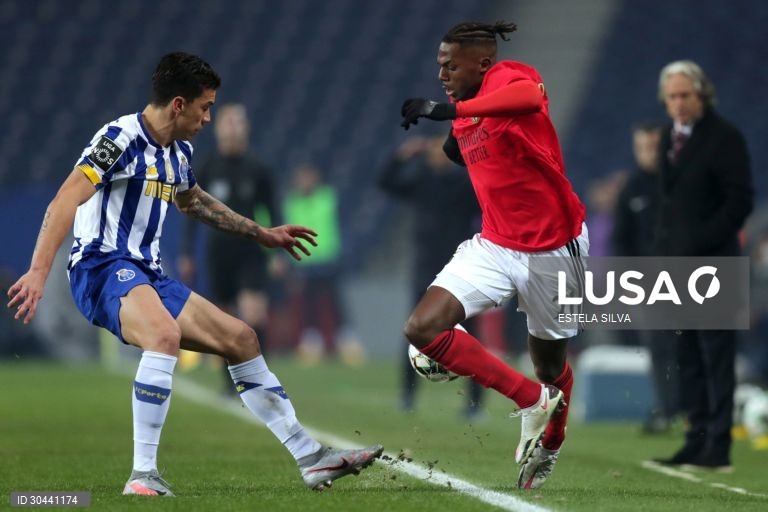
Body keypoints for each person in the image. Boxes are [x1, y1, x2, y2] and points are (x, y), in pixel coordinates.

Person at [6, 52, 382, 496]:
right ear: (179, 104)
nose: (209, 118)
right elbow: (64, 201)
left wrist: (262, 233)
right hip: (101, 266)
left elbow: (195, 202)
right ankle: (142, 475)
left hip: (148, 274)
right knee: (163, 336)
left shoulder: (179, 151)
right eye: (205, 107)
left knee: (241, 339)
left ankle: (311, 458)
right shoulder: (118, 139)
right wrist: (37, 271)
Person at [399, 21, 588, 489]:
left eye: (450, 64)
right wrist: (453, 131)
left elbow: (528, 98)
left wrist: (450, 111)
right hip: (496, 244)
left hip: (553, 248)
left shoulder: (507, 77)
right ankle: (530, 399)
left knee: (550, 365)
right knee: (422, 327)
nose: (442, 73)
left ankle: (553, 438)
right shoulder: (466, 116)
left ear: (481, 62)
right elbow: (467, 141)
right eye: (439, 65)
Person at [651, 60, 753, 471]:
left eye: (685, 95)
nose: (678, 103)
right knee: (687, 354)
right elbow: (667, 203)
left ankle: (719, 446)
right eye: (672, 96)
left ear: (701, 95)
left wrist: (699, 241)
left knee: (716, 357)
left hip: (715, 264)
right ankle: (695, 439)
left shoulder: (725, 138)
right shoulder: (666, 140)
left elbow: (740, 202)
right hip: (676, 268)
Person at [378, 134, 485, 418]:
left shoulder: (464, 184)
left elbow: (489, 200)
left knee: (472, 331)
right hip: (426, 267)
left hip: (461, 266)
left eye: (442, 150)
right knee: (416, 330)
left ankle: (475, 403)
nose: (437, 156)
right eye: (433, 151)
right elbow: (385, 182)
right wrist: (401, 156)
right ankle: (408, 396)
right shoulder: (422, 181)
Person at [178, 103, 281, 391]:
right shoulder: (208, 167)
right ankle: (231, 384)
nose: (234, 128)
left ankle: (261, 379)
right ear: (219, 128)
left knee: (254, 314)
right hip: (218, 253)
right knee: (224, 320)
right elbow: (190, 209)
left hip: (250, 252)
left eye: (239, 122)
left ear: (246, 128)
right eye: (229, 122)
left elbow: (273, 208)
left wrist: (279, 251)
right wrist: (187, 251)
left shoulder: (259, 169)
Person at [611, 122, 681, 434]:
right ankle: (667, 411)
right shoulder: (632, 188)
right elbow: (621, 241)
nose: (647, 153)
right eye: (641, 147)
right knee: (659, 347)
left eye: (652, 146)